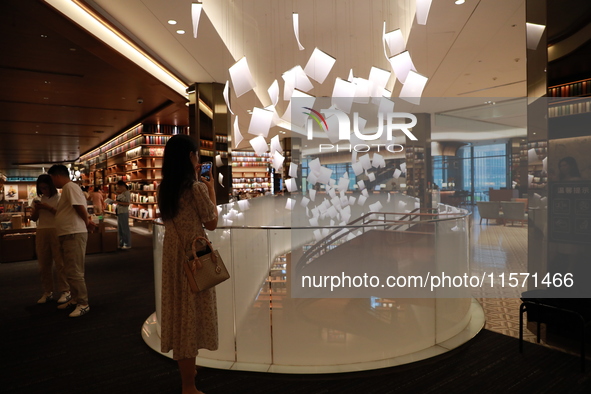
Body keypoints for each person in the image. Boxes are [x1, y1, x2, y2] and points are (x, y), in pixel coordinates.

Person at [157, 134, 218, 394]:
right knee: (191, 313)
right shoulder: (195, 188)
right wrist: (211, 188)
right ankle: (188, 385)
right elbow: (212, 221)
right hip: (196, 255)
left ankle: (188, 370)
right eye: (196, 154)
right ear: (189, 157)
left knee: (180, 311)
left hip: (173, 254)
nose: (198, 159)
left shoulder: (164, 188)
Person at [48, 164, 96, 318]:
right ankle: (75, 299)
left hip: (74, 233)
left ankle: (83, 303)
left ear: (57, 175)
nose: (52, 182)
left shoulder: (70, 187)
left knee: (74, 271)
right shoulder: (68, 188)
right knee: (69, 270)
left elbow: (79, 207)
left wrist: (87, 223)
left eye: (51, 178)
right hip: (68, 233)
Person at [30, 174, 69, 304]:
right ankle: (48, 291)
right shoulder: (37, 199)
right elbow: (34, 218)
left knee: (60, 262)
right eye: (41, 188)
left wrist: (48, 208)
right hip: (41, 230)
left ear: (51, 186)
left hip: (56, 230)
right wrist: (37, 209)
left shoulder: (60, 198)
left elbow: (61, 215)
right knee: (43, 263)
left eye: (46, 187)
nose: (43, 190)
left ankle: (65, 290)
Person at [115, 180, 131, 249]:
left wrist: (119, 202)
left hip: (123, 212)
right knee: (120, 229)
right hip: (119, 211)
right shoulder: (122, 193)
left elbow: (127, 203)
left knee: (124, 228)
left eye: (119, 187)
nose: (118, 188)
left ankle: (127, 243)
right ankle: (121, 243)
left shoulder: (127, 193)